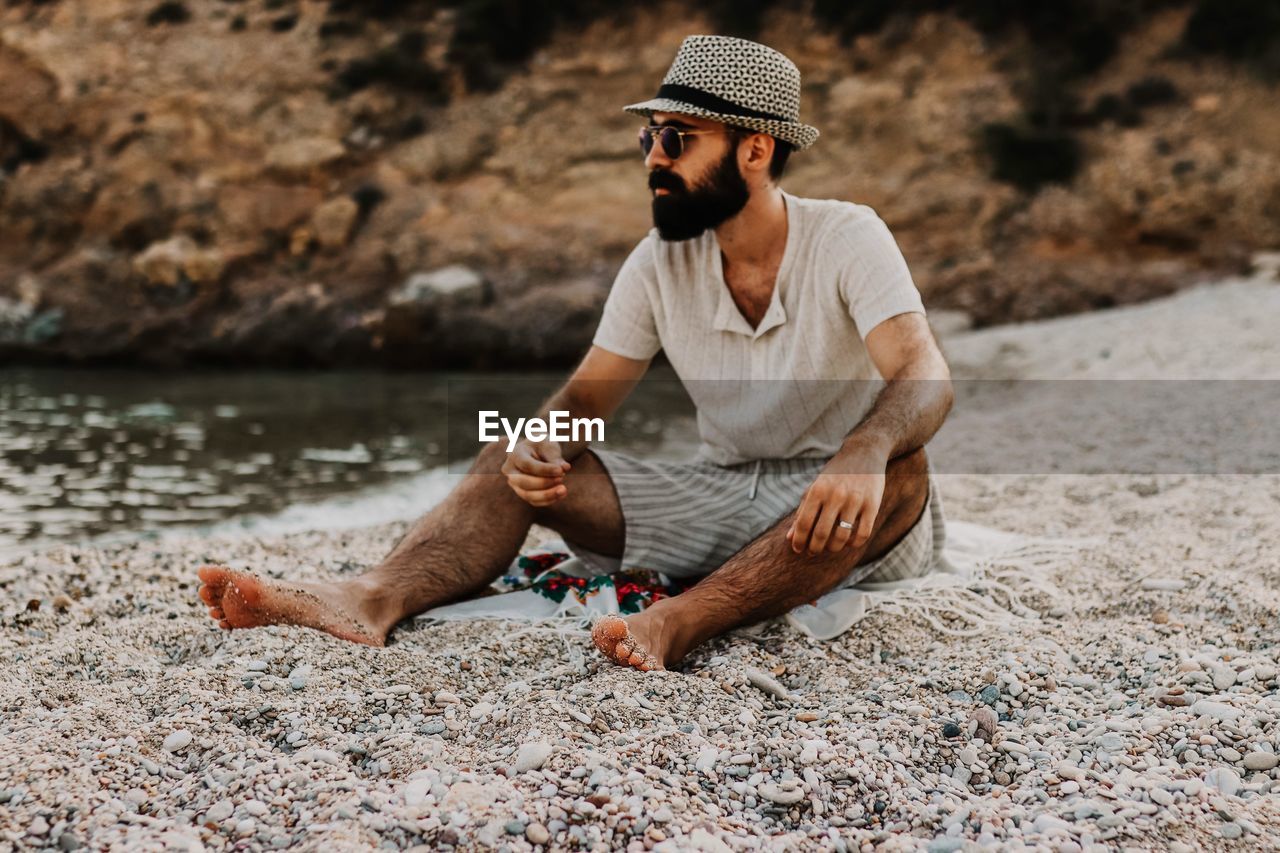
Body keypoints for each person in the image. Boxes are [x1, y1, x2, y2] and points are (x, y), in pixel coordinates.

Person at [197, 35, 954, 671]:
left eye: (676, 138)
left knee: (901, 467)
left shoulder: (847, 236)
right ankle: (369, 599)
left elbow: (925, 375)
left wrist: (865, 447)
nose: (653, 158)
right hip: (720, 497)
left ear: (756, 148)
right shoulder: (659, 264)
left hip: (847, 510)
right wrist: (545, 444)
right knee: (515, 448)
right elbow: (586, 402)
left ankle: (678, 622)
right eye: (647, 136)